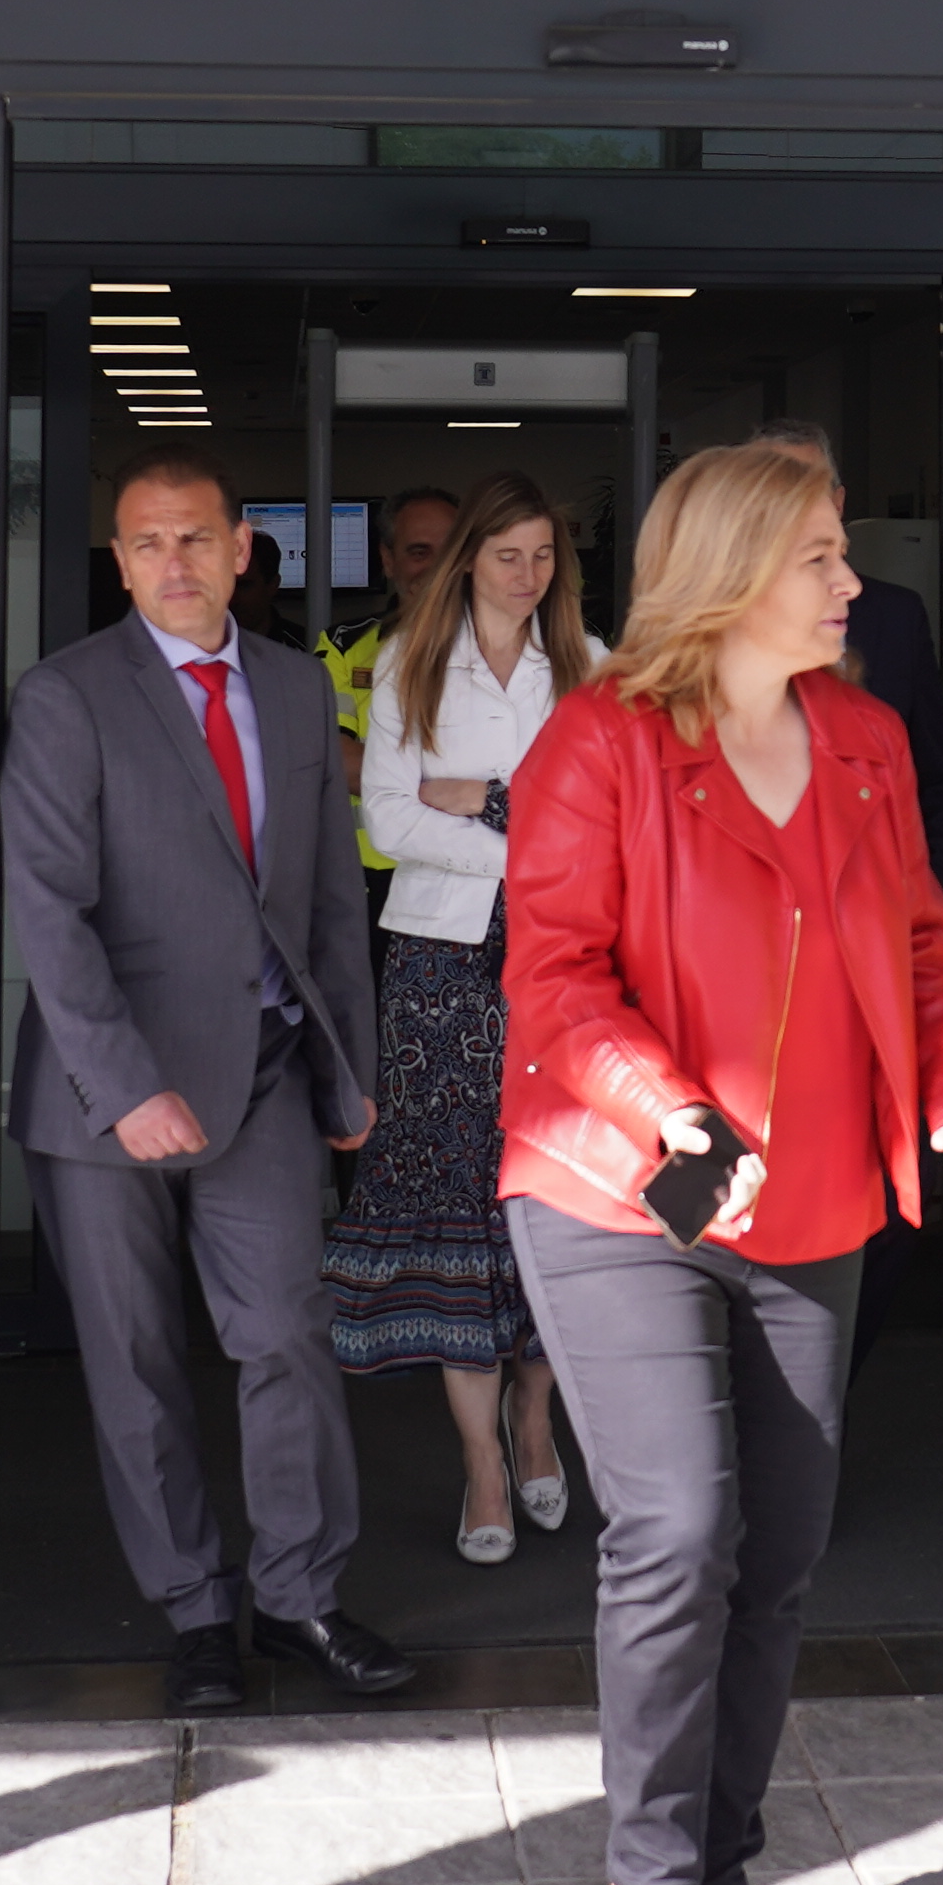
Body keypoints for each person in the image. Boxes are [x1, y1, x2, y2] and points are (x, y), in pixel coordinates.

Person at [499, 438, 943, 1885]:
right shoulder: (600, 742)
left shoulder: (868, 741)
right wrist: (664, 1108)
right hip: (619, 1194)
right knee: (678, 1527)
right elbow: (552, 975)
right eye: (819, 554)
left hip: (811, 1203)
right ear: (734, 569)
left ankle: (720, 1880)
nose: (848, 582)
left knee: (781, 1549)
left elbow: (923, 953)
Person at [0, 444, 419, 1715]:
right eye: (145, 543)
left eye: (195, 538)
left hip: (271, 1077)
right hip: (107, 1102)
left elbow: (330, 897)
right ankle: (194, 1611)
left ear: (245, 549)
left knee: (288, 1338)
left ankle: (297, 1597)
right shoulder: (68, 695)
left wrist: (354, 1062)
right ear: (119, 561)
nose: (172, 563)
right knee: (136, 1362)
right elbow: (48, 909)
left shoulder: (296, 693)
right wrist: (126, 1082)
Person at [338, 472, 583, 1561]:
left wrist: (478, 797)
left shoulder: (590, 668)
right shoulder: (408, 663)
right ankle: (481, 1460)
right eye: (507, 555)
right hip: (438, 955)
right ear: (469, 559)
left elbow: (610, 819)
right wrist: (522, 833)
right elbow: (388, 820)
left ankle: (537, 1421)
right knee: (453, 1197)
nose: (526, 576)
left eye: (542, 556)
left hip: (559, 956)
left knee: (547, 1194)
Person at [752, 419, 943, 899]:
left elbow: (936, 786)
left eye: (807, 489)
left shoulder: (894, 620)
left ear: (838, 502)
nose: (844, 586)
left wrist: (927, 918)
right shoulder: (643, 712)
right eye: (776, 488)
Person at [323, 482, 466, 882]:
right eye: (419, 552)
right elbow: (336, 759)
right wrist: (465, 790)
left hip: (470, 877)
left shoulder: (511, 651)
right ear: (388, 560)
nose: (437, 569)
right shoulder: (342, 647)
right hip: (369, 877)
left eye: (450, 551)